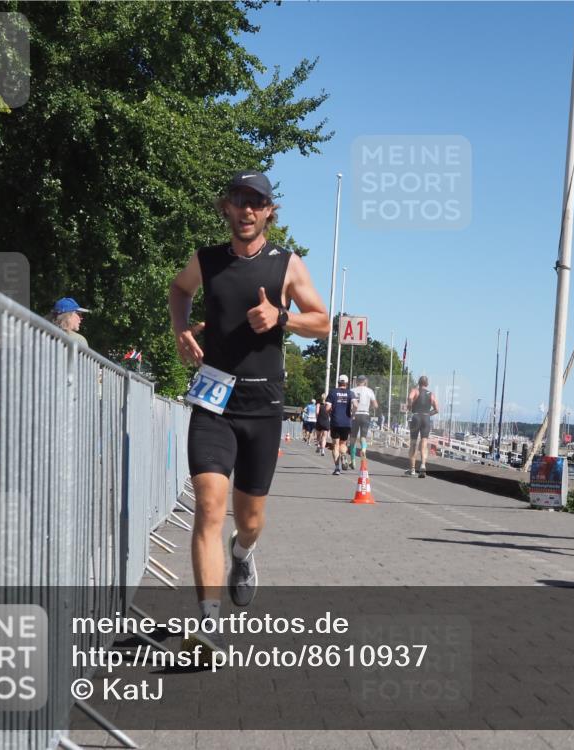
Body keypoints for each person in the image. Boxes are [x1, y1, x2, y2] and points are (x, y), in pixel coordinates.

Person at [168, 170, 329, 658]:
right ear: (226, 208)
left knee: (249, 517)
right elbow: (179, 291)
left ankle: (244, 553)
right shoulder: (208, 260)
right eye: (238, 201)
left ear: (268, 211)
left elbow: (323, 323)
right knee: (208, 507)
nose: (246, 210)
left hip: (263, 407)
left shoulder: (287, 265)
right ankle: (207, 625)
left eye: (256, 202)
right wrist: (181, 332)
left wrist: (282, 318)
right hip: (213, 402)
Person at [406, 375, 439, 478]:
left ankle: (412, 469)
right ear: (427, 384)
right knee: (424, 443)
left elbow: (410, 397)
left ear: (418, 383)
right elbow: (437, 409)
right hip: (426, 418)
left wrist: (410, 406)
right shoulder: (431, 394)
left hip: (416, 417)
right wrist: (428, 414)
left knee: (413, 443)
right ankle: (423, 465)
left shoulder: (415, 391)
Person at [326, 374, 355, 474]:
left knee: (335, 445)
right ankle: (343, 455)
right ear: (347, 383)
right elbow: (355, 404)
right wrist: (353, 413)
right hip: (346, 422)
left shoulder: (332, 392)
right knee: (343, 443)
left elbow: (327, 408)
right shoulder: (351, 393)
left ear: (338, 382)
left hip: (335, 421)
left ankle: (337, 468)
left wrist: (330, 412)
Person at [350, 374, 378, 468]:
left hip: (355, 415)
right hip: (365, 414)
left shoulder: (352, 390)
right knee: (363, 437)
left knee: (353, 438)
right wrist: (370, 406)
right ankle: (364, 449)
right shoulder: (369, 391)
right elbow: (375, 405)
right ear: (365, 381)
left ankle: (353, 460)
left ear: (357, 382)